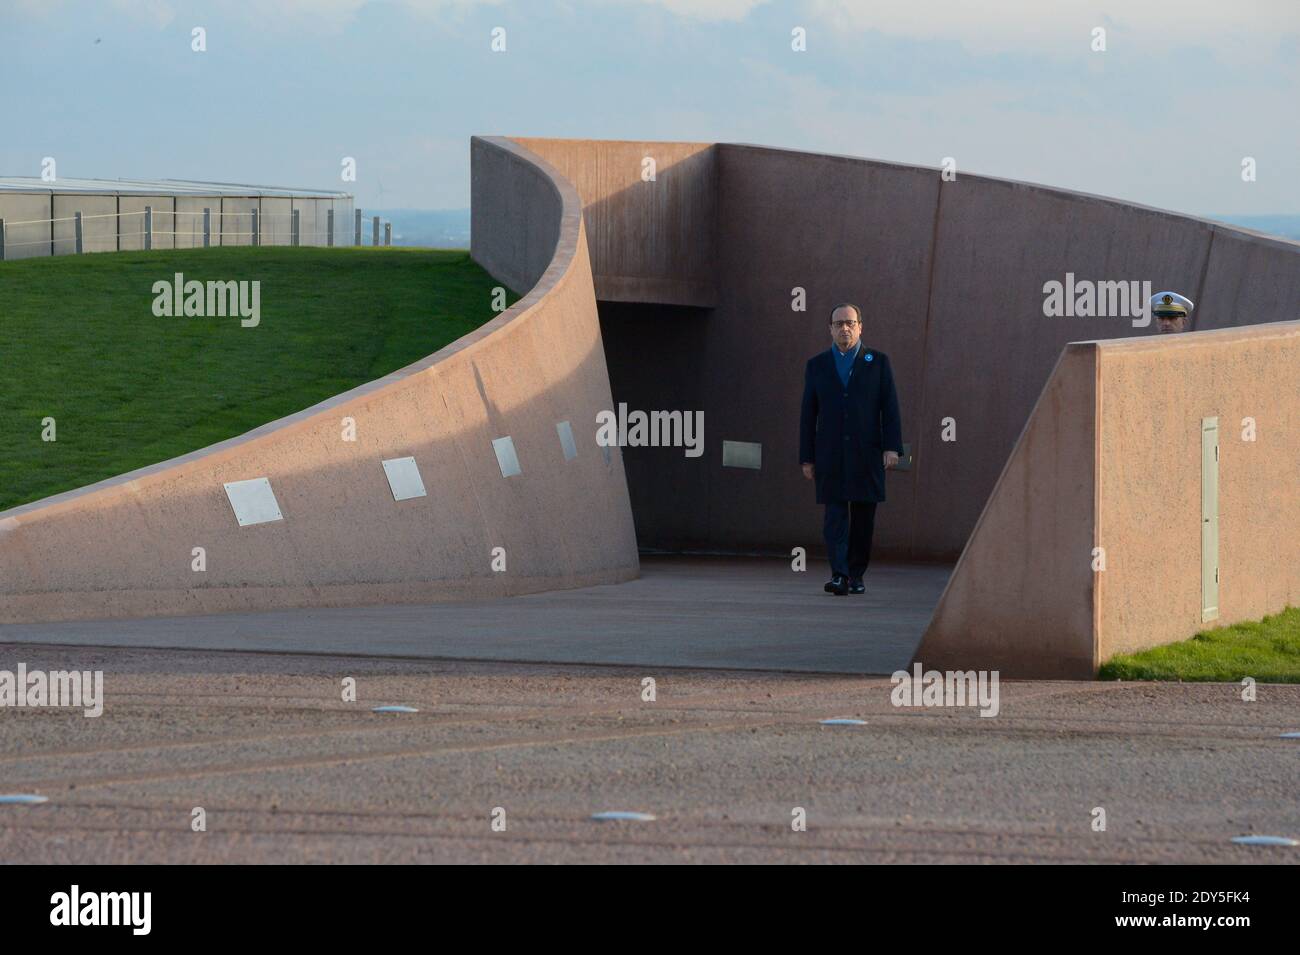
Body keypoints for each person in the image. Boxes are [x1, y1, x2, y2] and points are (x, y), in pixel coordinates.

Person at [799, 303, 903, 596]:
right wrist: (806, 456)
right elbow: (809, 413)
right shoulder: (817, 365)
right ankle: (839, 575)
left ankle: (856, 575)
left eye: (850, 322)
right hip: (830, 454)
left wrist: (892, 448)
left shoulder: (878, 362)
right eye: (839, 323)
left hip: (866, 454)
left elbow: (890, 408)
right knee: (834, 516)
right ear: (830, 329)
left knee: (862, 518)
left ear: (860, 327)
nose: (845, 328)